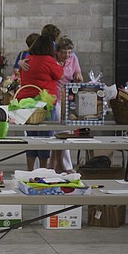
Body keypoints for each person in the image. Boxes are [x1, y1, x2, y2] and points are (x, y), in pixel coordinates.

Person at [18, 32, 63, 170]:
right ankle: (43, 171)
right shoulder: (48, 61)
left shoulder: (27, 60)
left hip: (27, 104)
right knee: (45, 140)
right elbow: (60, 74)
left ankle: (30, 170)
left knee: (31, 139)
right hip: (44, 105)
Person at [50, 35, 84, 172]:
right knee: (60, 132)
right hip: (54, 98)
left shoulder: (73, 59)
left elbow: (78, 73)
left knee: (64, 132)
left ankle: (61, 165)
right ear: (57, 52)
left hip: (68, 98)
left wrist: (79, 76)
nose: (67, 55)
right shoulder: (52, 61)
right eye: (64, 52)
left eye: (69, 52)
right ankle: (64, 166)